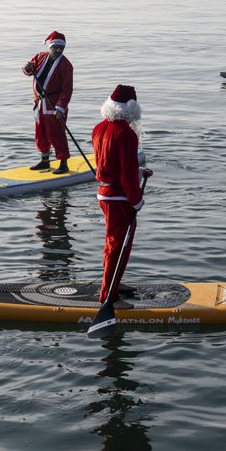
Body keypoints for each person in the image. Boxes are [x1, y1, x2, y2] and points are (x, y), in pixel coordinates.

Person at [92, 85, 149, 309]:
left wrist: (139, 172)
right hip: (119, 198)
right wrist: (136, 200)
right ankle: (109, 296)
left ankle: (113, 285)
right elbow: (125, 176)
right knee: (119, 246)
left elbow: (110, 163)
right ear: (131, 108)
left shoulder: (99, 128)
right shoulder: (126, 133)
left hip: (104, 194)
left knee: (112, 244)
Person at [22, 31, 73, 174]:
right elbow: (28, 70)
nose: (58, 50)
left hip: (54, 106)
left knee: (56, 134)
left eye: (61, 48)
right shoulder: (40, 57)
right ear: (50, 46)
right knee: (41, 133)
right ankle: (45, 161)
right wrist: (27, 68)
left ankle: (63, 163)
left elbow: (67, 89)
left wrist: (61, 107)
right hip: (40, 104)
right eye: (55, 47)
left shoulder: (66, 65)